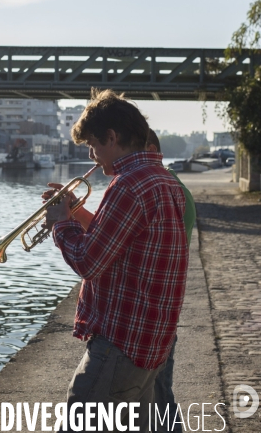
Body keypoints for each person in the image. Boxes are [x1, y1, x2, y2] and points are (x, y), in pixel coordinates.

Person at [44, 89, 189, 432]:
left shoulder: (128, 185)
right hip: (152, 340)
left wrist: (60, 222)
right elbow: (122, 243)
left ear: (112, 137)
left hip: (121, 342)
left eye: (94, 146)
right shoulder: (166, 182)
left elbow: (88, 262)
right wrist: (76, 211)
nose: (93, 157)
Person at [146, 129, 196, 433]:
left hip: (153, 313)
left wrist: (65, 223)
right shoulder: (171, 185)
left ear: (150, 148)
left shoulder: (160, 189)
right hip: (161, 312)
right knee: (159, 399)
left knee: (161, 399)